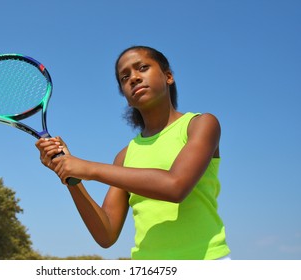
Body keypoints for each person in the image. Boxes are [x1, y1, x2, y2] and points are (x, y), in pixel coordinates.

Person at [35, 46, 231, 260]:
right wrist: (71, 177)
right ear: (126, 98)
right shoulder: (125, 156)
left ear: (168, 76)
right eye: (124, 77)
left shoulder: (201, 124)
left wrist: (87, 168)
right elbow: (106, 234)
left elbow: (176, 186)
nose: (134, 78)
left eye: (143, 68)